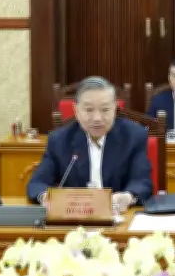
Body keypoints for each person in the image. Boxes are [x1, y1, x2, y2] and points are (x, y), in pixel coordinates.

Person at [26, 76, 153, 212]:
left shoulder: (134, 136)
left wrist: (128, 197)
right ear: (76, 110)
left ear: (115, 108)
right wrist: (46, 197)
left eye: (105, 110)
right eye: (89, 110)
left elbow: (142, 181)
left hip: (119, 215)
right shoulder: (59, 140)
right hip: (75, 217)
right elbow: (37, 184)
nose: (97, 118)